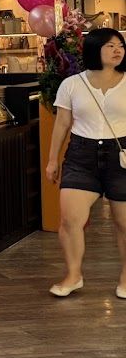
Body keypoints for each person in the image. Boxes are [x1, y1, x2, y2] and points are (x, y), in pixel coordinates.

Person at [46, 28, 126, 298]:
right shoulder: (72, 84)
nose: (117, 50)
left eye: (120, 45)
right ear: (94, 48)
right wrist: (52, 160)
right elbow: (62, 123)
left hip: (121, 156)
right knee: (70, 220)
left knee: (124, 223)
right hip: (81, 156)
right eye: (110, 46)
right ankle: (73, 275)